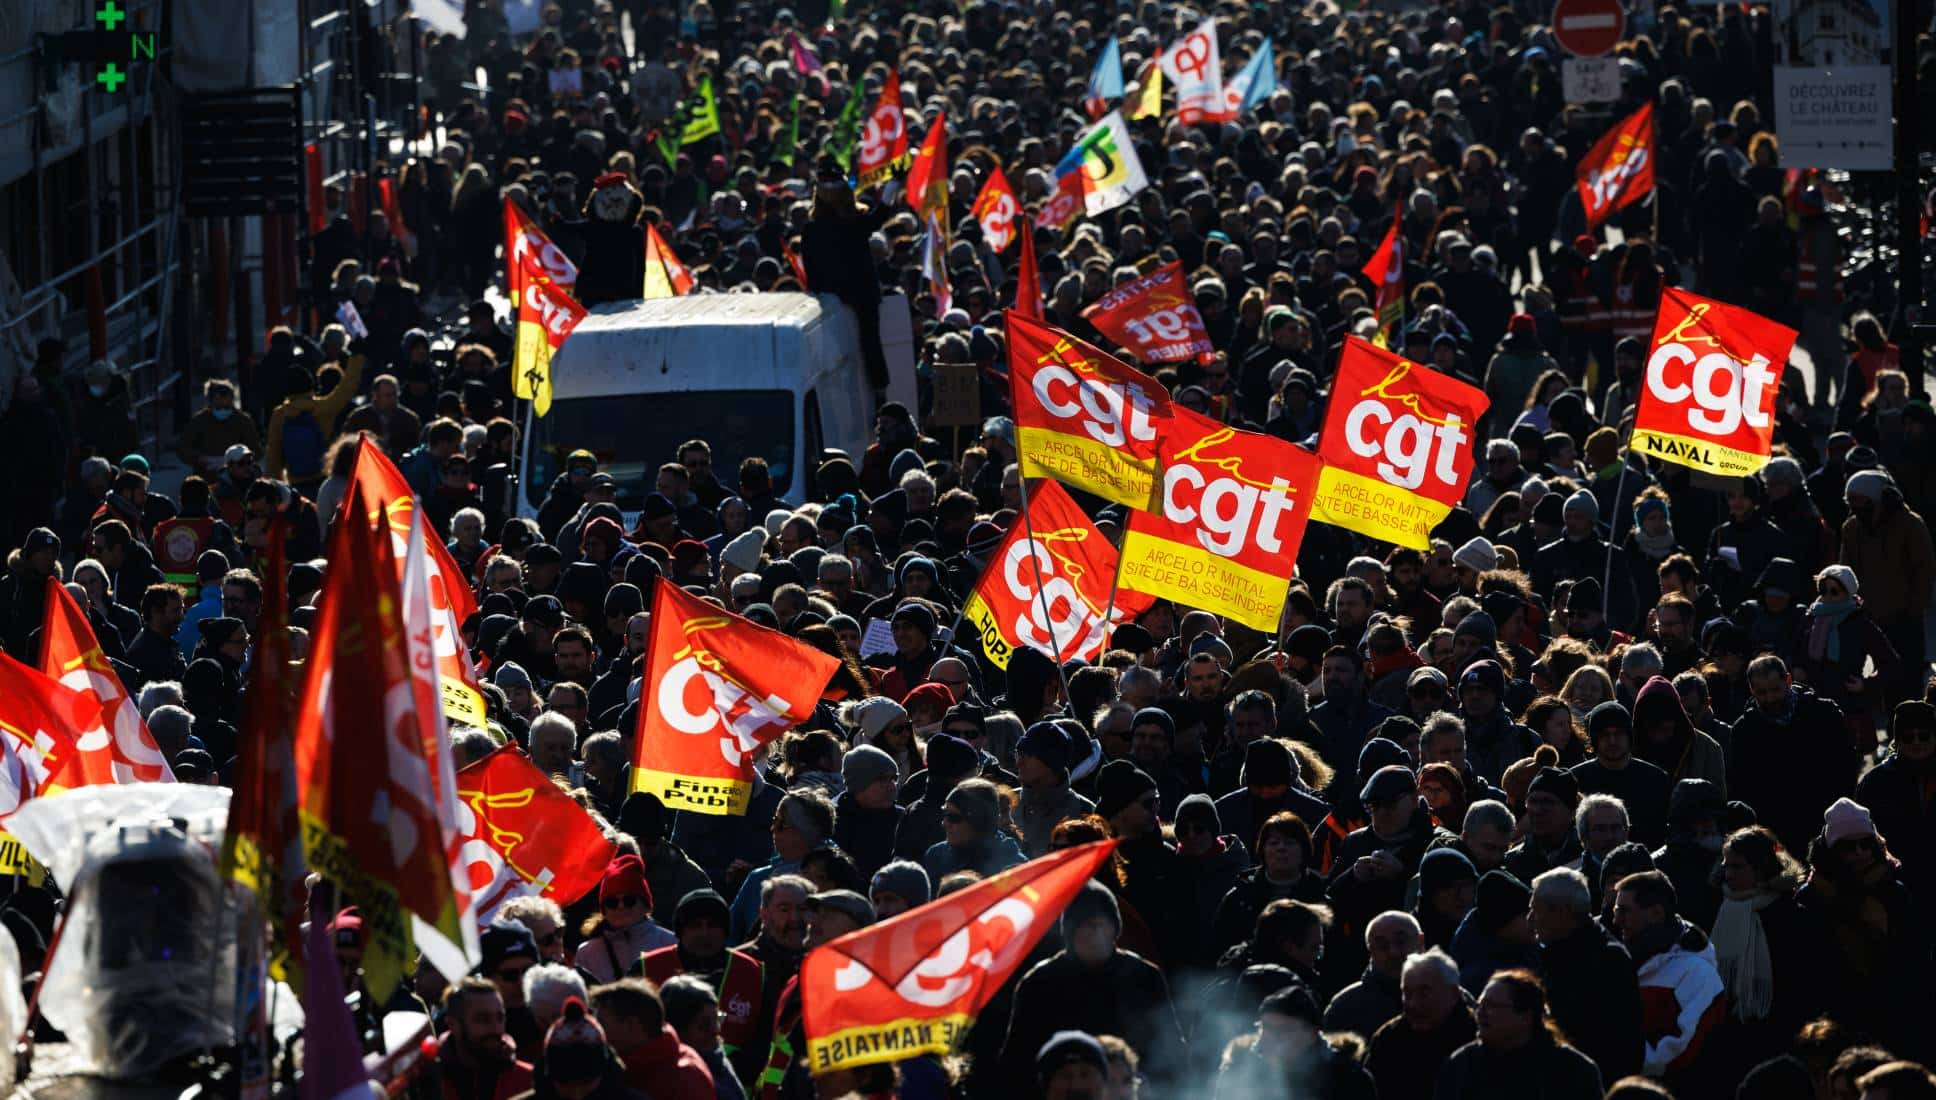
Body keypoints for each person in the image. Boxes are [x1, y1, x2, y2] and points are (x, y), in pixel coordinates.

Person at [1003, 882, 1185, 1094]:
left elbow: (1171, 1050)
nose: (1097, 933)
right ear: (1071, 930)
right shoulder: (1040, 983)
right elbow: (1017, 1062)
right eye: (1088, 925)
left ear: (1115, 928)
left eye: (1103, 924)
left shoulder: (1144, 977)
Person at [1610, 870, 1726, 1091]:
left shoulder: (1697, 973)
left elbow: (1683, 1048)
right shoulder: (1623, 960)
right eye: (1616, 911)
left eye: (1624, 911)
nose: (1616, 920)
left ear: (1656, 913)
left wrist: (1623, 1059)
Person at [1529, 867, 1643, 1083]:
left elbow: (1619, 1047)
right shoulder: (1552, 953)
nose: (1530, 918)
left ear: (1561, 912)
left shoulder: (1608, 961)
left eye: (1536, 910)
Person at [1431, 969, 1606, 1098]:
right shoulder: (1461, 1065)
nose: (1481, 1012)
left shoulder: (1572, 1070)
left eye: (1492, 1006)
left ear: (1526, 1017)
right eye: (1480, 1005)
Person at [1365, 948, 1479, 1098]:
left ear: (1453, 994)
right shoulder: (1389, 1039)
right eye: (1407, 993)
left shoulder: (1477, 1035)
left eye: (1424, 993)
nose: (1413, 1004)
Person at [576, 856, 676, 984]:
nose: (621, 906)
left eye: (629, 900)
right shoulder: (586, 953)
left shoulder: (670, 944)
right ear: (604, 910)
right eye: (612, 902)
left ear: (646, 905)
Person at [438, 976, 535, 1100]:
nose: (495, 1028)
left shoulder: (528, 1081)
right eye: (483, 1019)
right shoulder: (429, 1084)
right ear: (454, 1025)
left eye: (500, 1018)